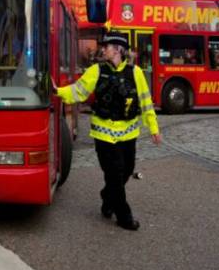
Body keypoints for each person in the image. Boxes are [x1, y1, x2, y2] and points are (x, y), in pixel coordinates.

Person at [54, 33, 161, 230]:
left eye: (108, 46)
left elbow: (145, 101)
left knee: (126, 171)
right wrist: (58, 91)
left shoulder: (135, 72)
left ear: (119, 50)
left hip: (128, 134)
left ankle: (107, 197)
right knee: (114, 174)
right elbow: (78, 91)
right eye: (103, 46)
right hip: (103, 135)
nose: (103, 49)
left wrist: (153, 128)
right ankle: (124, 217)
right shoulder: (96, 71)